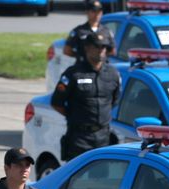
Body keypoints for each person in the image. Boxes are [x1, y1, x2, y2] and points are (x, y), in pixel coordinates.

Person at [52, 29, 121, 163]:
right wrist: (75, 116)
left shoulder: (113, 74)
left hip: (103, 138)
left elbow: (114, 100)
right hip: (79, 138)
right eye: (97, 46)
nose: (101, 50)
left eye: (104, 47)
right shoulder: (73, 74)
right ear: (87, 48)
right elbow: (57, 102)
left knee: (101, 180)